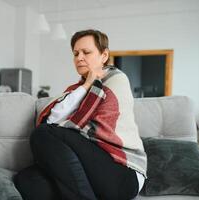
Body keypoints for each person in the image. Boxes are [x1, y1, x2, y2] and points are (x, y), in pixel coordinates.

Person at [14, 29, 147, 200]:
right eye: (75, 53)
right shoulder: (78, 89)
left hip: (123, 173)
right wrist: (86, 85)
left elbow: (53, 129)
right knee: (27, 180)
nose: (79, 58)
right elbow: (52, 119)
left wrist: (91, 86)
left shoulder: (116, 80)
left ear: (104, 55)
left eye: (86, 52)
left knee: (42, 134)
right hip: (91, 170)